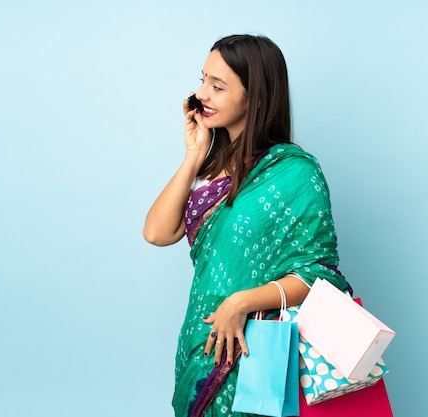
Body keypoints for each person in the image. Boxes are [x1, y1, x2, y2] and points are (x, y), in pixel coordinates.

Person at [143, 34, 352, 417]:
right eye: (203, 79)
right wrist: (193, 155)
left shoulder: (295, 173)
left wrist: (241, 302)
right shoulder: (209, 172)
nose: (202, 93)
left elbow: (321, 276)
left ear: (255, 98)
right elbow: (157, 233)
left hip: (260, 347)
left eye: (218, 86)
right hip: (203, 338)